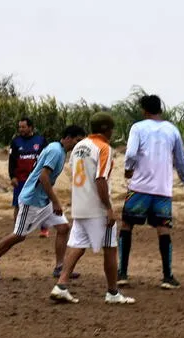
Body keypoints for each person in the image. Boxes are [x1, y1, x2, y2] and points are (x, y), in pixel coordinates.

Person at [0, 125, 87, 281]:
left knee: (63, 227)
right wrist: (56, 202)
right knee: (19, 235)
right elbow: (43, 177)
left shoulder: (59, 150)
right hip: (32, 200)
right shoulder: (56, 151)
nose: (79, 144)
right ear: (68, 138)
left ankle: (59, 267)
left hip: (43, 200)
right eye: (78, 140)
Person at [50, 113, 135, 304]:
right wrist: (108, 207)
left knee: (78, 245)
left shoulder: (79, 146)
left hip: (80, 204)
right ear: (107, 130)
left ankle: (61, 285)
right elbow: (100, 179)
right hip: (97, 207)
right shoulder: (104, 148)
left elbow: (75, 172)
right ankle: (112, 293)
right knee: (110, 248)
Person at [116, 94, 184, 288]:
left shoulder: (138, 127)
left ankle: (122, 273)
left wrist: (128, 169)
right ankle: (167, 276)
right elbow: (181, 158)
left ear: (144, 110)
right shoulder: (172, 130)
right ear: (160, 108)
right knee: (163, 228)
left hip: (139, 187)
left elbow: (132, 152)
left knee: (127, 225)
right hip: (163, 188)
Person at [9, 117, 50, 238]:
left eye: (23, 127)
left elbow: (48, 158)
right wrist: (12, 176)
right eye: (19, 127)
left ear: (30, 127)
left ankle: (44, 229)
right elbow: (11, 160)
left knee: (43, 203)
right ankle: (17, 230)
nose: (21, 129)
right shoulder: (16, 142)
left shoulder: (41, 140)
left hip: (37, 179)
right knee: (18, 204)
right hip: (21, 179)